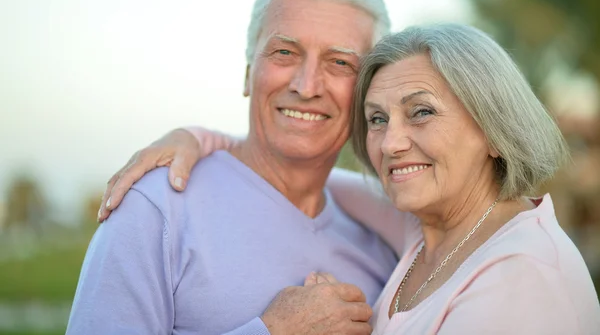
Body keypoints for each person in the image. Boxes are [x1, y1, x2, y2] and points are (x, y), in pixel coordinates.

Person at [101, 24, 600, 333]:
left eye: (421, 112)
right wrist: (200, 139)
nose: (389, 143)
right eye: (378, 119)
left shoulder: (523, 280)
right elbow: (295, 178)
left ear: (494, 130)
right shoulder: (427, 227)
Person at [67, 0, 401, 335]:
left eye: (339, 62)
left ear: (367, 93)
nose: (306, 86)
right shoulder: (156, 207)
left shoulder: (383, 244)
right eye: (284, 53)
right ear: (247, 73)